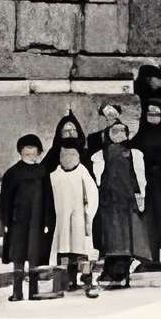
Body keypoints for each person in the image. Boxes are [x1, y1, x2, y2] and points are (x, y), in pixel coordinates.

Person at [90, 106, 146, 289]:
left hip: (127, 202)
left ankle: (122, 271)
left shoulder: (134, 154)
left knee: (125, 238)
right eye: (115, 131)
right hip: (108, 201)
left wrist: (140, 195)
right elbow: (98, 177)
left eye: (123, 131)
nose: (119, 134)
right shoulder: (101, 155)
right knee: (111, 238)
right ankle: (110, 269)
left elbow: (139, 176)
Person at [45, 113, 101, 296]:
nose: (69, 133)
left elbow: (92, 191)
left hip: (80, 216)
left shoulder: (84, 163)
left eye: (73, 129)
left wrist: (88, 214)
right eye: (65, 130)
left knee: (82, 248)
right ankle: (65, 280)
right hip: (61, 217)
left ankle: (86, 278)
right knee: (64, 248)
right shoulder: (54, 169)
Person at [0, 132, 54, 301]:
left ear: (39, 153)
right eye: (26, 153)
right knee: (18, 254)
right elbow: (5, 199)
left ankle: (33, 291)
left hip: (36, 221)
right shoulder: (12, 173)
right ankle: (17, 292)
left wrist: (47, 220)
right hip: (18, 220)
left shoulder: (42, 172)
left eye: (33, 153)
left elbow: (48, 198)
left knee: (34, 254)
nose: (30, 156)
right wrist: (6, 220)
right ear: (21, 153)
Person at [132, 98, 161, 274]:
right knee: (147, 221)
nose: (153, 117)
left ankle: (159, 258)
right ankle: (149, 258)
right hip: (146, 184)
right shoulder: (140, 137)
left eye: (157, 113)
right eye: (150, 113)